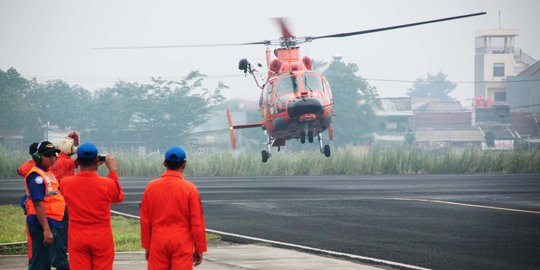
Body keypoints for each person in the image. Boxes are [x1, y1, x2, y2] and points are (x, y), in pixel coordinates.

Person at [140, 146, 207, 269]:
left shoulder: (151, 187)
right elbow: (197, 222)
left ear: (164, 163)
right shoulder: (190, 189)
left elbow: (145, 220)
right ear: (184, 164)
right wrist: (199, 247)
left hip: (158, 240)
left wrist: (147, 246)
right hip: (182, 241)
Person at [60, 143, 124, 270]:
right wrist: (113, 171)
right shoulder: (107, 184)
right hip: (101, 236)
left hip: (77, 236)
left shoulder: (65, 183)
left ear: (77, 160)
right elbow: (118, 197)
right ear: (97, 160)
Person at [24, 141, 66, 270]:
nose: (52, 157)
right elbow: (38, 203)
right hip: (43, 224)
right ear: (38, 156)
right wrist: (46, 230)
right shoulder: (36, 176)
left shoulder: (47, 173)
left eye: (54, 154)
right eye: (48, 155)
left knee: (44, 263)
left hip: (51, 222)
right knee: (40, 265)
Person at [50, 133, 80, 270]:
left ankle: (56, 259)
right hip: (64, 202)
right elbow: (79, 162)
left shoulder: (55, 160)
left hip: (53, 202)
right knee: (63, 233)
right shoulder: (67, 162)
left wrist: (71, 141)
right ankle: (61, 262)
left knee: (57, 232)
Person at [18, 142, 39, 263]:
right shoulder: (43, 167)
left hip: (30, 204)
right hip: (40, 204)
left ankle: (32, 257)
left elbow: (19, 170)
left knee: (31, 233)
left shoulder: (26, 167)